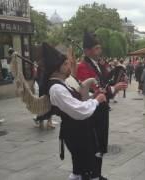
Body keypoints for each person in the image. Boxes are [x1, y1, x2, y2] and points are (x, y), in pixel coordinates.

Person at [39, 43, 106, 180]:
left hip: (79, 130)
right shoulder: (56, 88)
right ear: (57, 68)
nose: (69, 66)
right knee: (86, 168)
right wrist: (96, 100)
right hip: (75, 132)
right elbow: (78, 110)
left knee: (80, 168)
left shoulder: (62, 83)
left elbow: (77, 102)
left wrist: (91, 97)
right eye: (65, 64)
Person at [76, 32, 127, 180]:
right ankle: (90, 175)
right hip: (91, 112)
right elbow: (93, 91)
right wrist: (114, 88)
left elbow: (105, 84)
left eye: (99, 48)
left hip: (101, 110)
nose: (100, 51)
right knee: (93, 145)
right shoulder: (82, 67)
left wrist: (117, 83)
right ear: (87, 51)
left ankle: (96, 174)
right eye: (96, 48)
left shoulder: (98, 65)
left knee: (101, 144)